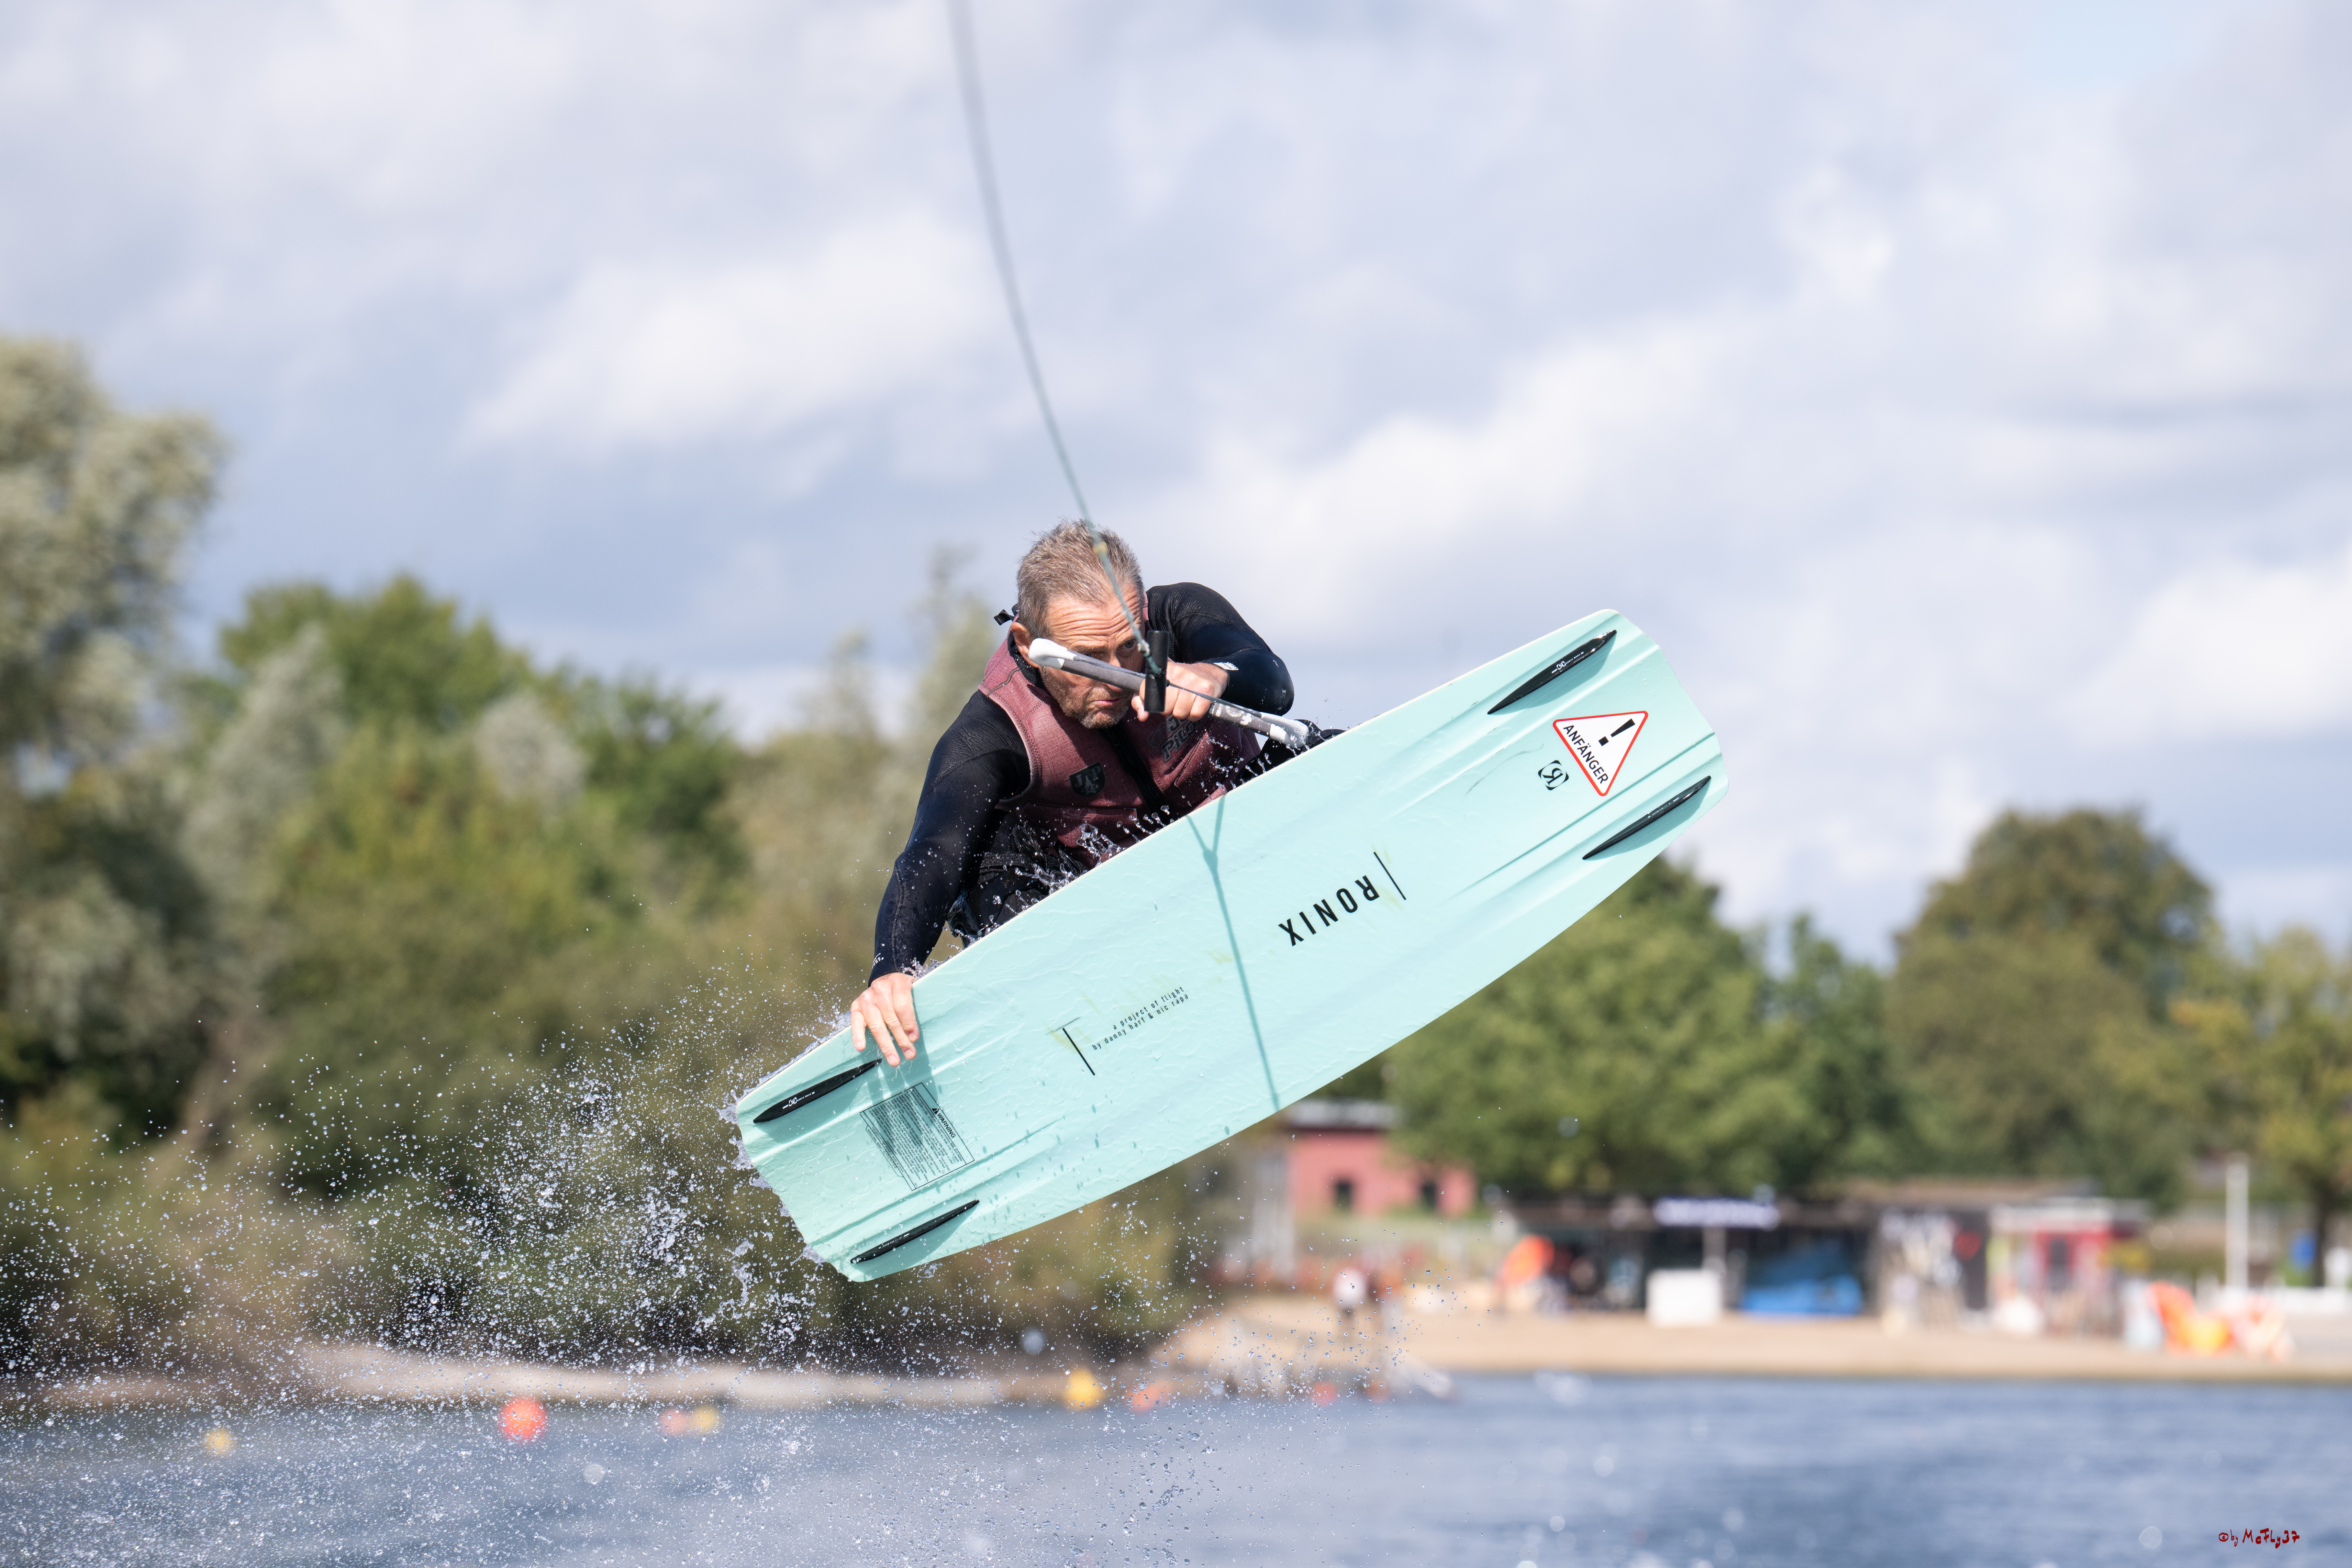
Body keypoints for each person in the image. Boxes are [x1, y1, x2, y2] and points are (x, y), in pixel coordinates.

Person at [846, 522, 1295, 1064]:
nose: (1114, 676)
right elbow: (933, 852)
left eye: (1129, 647)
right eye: (1086, 658)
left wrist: (1213, 675)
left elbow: (1274, 682)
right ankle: (1061, 1024)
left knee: (1309, 744)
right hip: (1110, 906)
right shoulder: (992, 731)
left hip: (1238, 826)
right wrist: (892, 967)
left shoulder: (1181, 614)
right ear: (1027, 645)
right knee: (985, 854)